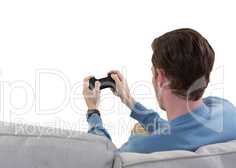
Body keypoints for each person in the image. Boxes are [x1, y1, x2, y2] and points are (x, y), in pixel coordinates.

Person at [82, 28, 236, 153]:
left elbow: (103, 159)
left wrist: (93, 111)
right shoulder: (227, 112)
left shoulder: (142, 147)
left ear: (161, 78)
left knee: (139, 130)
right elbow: (181, 129)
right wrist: (129, 100)